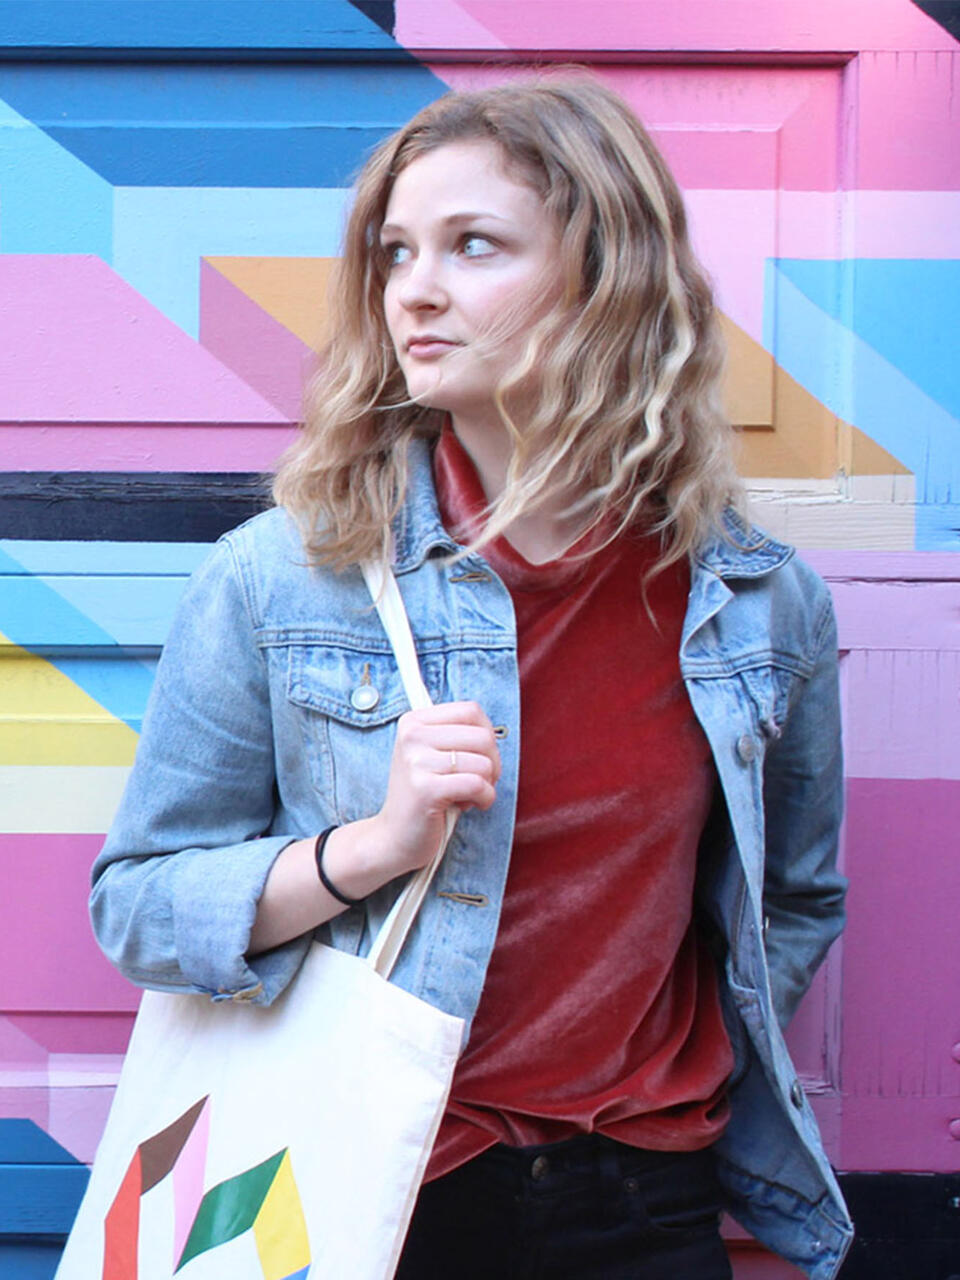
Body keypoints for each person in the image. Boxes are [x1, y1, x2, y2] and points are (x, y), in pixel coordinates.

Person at [90, 78, 852, 1279]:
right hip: (364, 1186)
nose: (416, 291)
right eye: (396, 253)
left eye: (474, 246)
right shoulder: (285, 577)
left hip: (644, 1193)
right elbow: (136, 902)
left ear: (609, 274)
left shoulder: (756, 605)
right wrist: (369, 847)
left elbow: (792, 900)